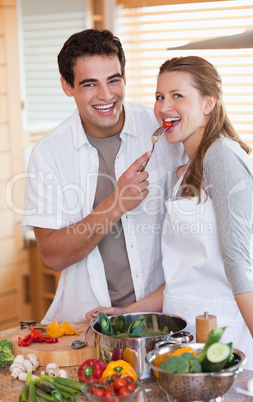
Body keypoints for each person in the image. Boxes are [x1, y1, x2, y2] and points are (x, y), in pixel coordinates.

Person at [86, 56, 253, 372]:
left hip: (226, 339)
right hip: (184, 341)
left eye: (177, 95)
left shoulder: (223, 156)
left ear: (209, 102)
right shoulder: (181, 171)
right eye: (159, 96)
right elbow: (181, 277)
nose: (164, 106)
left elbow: (238, 268)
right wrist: (125, 312)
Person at [21, 29, 186, 324]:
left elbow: (203, 219)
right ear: (67, 86)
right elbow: (52, 256)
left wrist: (249, 270)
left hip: (166, 315)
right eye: (89, 84)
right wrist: (116, 205)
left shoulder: (163, 129)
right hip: (85, 321)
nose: (106, 95)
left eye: (113, 80)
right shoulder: (49, 154)